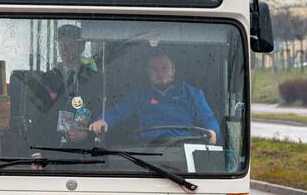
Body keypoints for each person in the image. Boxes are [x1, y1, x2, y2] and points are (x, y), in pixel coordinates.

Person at [89, 51, 220, 145]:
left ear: (173, 69)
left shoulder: (192, 94)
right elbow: (118, 112)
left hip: (184, 149)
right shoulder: (139, 95)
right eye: (154, 69)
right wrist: (103, 121)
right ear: (147, 73)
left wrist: (212, 131)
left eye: (164, 67)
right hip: (148, 151)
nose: (160, 72)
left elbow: (208, 118)